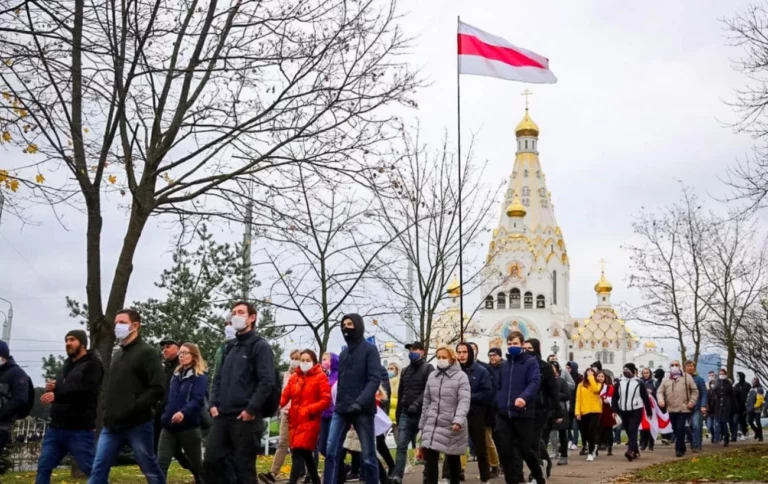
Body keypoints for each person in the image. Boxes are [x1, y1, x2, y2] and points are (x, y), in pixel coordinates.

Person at [88, 309, 166, 484]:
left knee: (149, 468)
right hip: (112, 425)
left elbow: (158, 388)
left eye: (122, 323)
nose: (117, 327)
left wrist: (134, 407)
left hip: (137, 424)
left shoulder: (148, 353)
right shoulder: (117, 355)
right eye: (116, 323)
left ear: (135, 325)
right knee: (98, 468)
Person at [204, 301, 277, 484]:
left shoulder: (260, 346)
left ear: (252, 318)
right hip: (222, 416)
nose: (236, 316)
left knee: (243, 469)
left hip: (245, 418)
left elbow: (267, 381)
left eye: (241, 312)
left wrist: (251, 409)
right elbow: (218, 378)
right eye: (234, 312)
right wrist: (213, 403)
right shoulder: (230, 347)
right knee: (211, 462)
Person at [36, 330, 104, 484]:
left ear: (83, 343)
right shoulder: (67, 364)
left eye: (72, 340)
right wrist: (53, 387)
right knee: (44, 466)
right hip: (56, 428)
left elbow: (87, 392)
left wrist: (57, 395)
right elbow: (66, 389)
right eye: (66, 340)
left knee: (91, 469)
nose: (68, 343)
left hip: (79, 429)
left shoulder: (93, 364)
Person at [323, 314, 382, 484]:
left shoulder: (370, 350)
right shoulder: (343, 354)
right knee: (331, 451)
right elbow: (341, 382)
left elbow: (373, 379)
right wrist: (339, 404)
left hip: (362, 410)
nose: (346, 328)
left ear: (358, 325)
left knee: (368, 455)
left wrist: (359, 402)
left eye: (350, 324)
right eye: (343, 325)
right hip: (341, 410)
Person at [493, 331, 545, 484]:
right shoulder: (504, 365)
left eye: (515, 343)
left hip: (523, 414)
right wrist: (498, 402)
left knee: (526, 450)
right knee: (505, 451)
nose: (512, 346)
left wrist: (524, 397)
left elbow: (534, 382)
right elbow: (499, 386)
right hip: (504, 415)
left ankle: (539, 476)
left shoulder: (530, 362)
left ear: (522, 345)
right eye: (509, 344)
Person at [418, 346, 470, 484]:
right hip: (433, 423)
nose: (440, 360)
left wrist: (458, 420)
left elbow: (464, 400)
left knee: (453, 459)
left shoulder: (461, 377)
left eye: (443, 357)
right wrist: (423, 424)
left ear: (452, 358)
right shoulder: (432, 376)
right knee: (430, 460)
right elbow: (426, 401)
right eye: (438, 357)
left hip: (452, 424)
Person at [158, 343, 208, 483]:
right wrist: (165, 414)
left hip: (189, 427)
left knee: (197, 464)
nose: (181, 355)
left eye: (185, 353)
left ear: (193, 355)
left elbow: (197, 400)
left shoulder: (200, 376)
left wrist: (183, 413)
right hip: (169, 426)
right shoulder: (176, 375)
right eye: (180, 353)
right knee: (161, 462)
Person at [280, 349, 332, 484]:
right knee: (306, 454)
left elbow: (326, 400)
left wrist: (309, 410)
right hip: (295, 420)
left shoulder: (320, 377)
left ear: (314, 362)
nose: (304, 363)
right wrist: (276, 405)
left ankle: (292, 481)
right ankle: (315, 479)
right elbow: (285, 396)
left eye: (307, 360)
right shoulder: (294, 378)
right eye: (302, 360)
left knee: (298, 450)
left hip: (310, 419)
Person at [445, 343, 492, 483]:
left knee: (480, 447)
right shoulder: (451, 371)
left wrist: (467, 397)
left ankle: (485, 477)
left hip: (475, 413)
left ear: (470, 353)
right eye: (459, 352)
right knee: (452, 446)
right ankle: (450, 476)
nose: (461, 355)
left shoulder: (481, 371)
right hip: (455, 413)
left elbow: (487, 393)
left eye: (464, 352)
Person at [391, 342, 433, 484]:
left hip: (423, 414)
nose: (411, 352)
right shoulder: (405, 370)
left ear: (422, 351)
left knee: (425, 447)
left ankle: (428, 476)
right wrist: (398, 413)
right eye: (410, 349)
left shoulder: (428, 368)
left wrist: (416, 404)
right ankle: (398, 476)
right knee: (401, 446)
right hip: (405, 414)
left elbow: (428, 390)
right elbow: (402, 391)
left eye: (414, 349)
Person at [259, 350, 303, 484]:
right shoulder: (286, 375)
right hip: (286, 412)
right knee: (283, 443)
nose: (294, 361)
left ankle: (301, 472)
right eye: (292, 358)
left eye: (297, 358)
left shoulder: (304, 375)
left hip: (299, 413)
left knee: (298, 446)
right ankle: (273, 472)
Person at [523, 338, 561, 480]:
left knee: (533, 441)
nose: (526, 351)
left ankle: (536, 472)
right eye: (524, 348)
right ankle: (545, 461)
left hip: (540, 408)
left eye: (529, 348)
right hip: (524, 408)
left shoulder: (544, 367)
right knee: (530, 441)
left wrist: (557, 410)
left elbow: (553, 390)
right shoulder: (521, 365)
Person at [156, 339, 192, 473]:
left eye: (168, 347)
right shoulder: (167, 367)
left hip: (179, 416)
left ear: (178, 348)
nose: (164, 350)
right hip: (164, 415)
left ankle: (200, 473)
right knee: (168, 452)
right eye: (163, 348)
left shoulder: (182, 368)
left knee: (186, 452)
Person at [470, 342, 500, 480]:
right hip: (465, 411)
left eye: (472, 349)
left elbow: (490, 391)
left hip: (483, 410)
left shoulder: (484, 368)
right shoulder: (459, 368)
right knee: (460, 442)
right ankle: (460, 469)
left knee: (486, 441)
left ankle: (494, 464)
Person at [657, 360, 699, 457]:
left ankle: (679, 449)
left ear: (680, 366)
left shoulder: (686, 377)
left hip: (683, 408)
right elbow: (660, 391)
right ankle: (682, 445)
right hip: (671, 408)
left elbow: (694, 391)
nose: (674, 366)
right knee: (675, 428)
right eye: (672, 365)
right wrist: (661, 400)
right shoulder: (666, 379)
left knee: (680, 427)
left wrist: (692, 402)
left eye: (676, 365)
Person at [612, 363, 651, 462]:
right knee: (629, 431)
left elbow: (645, 397)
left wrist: (649, 410)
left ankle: (630, 451)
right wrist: (614, 410)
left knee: (633, 429)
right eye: (624, 370)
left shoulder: (639, 382)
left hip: (636, 410)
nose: (626, 372)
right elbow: (615, 397)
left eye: (628, 370)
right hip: (624, 410)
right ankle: (636, 450)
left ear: (634, 371)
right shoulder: (619, 382)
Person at [575, 367, 602, 462]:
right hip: (584, 411)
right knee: (585, 432)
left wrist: (591, 378)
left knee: (592, 430)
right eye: (587, 373)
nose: (589, 375)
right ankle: (592, 445)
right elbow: (578, 399)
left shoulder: (597, 383)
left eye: (591, 373)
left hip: (595, 411)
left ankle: (590, 452)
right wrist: (577, 412)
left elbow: (596, 390)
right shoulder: (581, 385)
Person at [683, 360, 707, 453]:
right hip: (684, 407)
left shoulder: (699, 379)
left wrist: (703, 405)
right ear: (685, 368)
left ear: (694, 367)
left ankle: (696, 445)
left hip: (697, 407)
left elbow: (704, 393)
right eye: (688, 366)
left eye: (691, 366)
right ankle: (692, 441)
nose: (690, 367)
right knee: (686, 427)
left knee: (696, 426)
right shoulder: (682, 379)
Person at [318, 352, 340, 458]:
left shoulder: (338, 376)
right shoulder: (326, 375)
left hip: (333, 413)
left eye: (326, 359)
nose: (324, 362)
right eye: (322, 359)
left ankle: (336, 470)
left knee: (331, 446)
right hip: (324, 413)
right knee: (322, 447)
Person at [550, 362, 570, 466]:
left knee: (562, 434)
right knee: (550, 433)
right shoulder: (545, 381)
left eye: (553, 367)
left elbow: (567, 395)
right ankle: (554, 451)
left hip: (560, 409)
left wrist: (555, 395)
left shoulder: (561, 381)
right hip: (549, 410)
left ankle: (564, 455)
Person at [713, 368, 738, 447]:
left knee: (724, 422)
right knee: (719, 422)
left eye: (723, 374)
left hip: (726, 405)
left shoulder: (728, 384)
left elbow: (732, 395)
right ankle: (724, 435)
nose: (721, 375)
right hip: (718, 406)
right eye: (720, 374)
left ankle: (726, 437)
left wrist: (734, 406)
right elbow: (714, 393)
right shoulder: (717, 383)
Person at [595, 371, 615, 456]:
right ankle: (596, 447)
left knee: (608, 429)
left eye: (602, 376)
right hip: (596, 410)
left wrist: (604, 399)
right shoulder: (594, 386)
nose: (600, 378)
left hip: (606, 410)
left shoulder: (608, 387)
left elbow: (611, 397)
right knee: (597, 429)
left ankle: (609, 446)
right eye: (598, 376)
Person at [639, 367, 657, 451]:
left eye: (647, 373)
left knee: (651, 425)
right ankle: (644, 443)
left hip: (651, 407)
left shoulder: (654, 383)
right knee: (643, 426)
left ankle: (651, 444)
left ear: (650, 373)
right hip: (641, 407)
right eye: (644, 373)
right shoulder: (639, 382)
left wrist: (652, 392)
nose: (645, 374)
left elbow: (657, 394)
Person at [566, 361, 582, 452]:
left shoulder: (579, 378)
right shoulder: (566, 378)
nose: (568, 370)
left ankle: (575, 442)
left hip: (576, 405)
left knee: (575, 426)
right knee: (567, 425)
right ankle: (570, 440)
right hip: (568, 405)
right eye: (567, 368)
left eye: (569, 368)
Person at [734, 372, 751, 440]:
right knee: (739, 420)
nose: (737, 377)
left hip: (745, 405)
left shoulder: (747, 385)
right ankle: (741, 432)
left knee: (744, 420)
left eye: (738, 376)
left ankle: (745, 432)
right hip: (738, 405)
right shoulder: (736, 385)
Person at [746, 377, 764, 442]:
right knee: (749, 421)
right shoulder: (751, 389)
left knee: (757, 422)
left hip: (757, 409)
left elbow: (760, 400)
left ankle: (760, 436)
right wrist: (747, 405)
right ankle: (756, 431)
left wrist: (755, 406)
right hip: (750, 408)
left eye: (755, 381)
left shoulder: (760, 389)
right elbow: (748, 398)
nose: (753, 382)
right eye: (753, 381)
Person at [706, 379, 720, 444]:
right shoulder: (708, 392)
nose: (713, 385)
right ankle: (713, 435)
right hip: (709, 412)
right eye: (711, 383)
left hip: (716, 411)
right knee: (710, 426)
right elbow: (706, 400)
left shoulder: (718, 392)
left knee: (716, 425)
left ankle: (717, 438)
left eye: (714, 383)